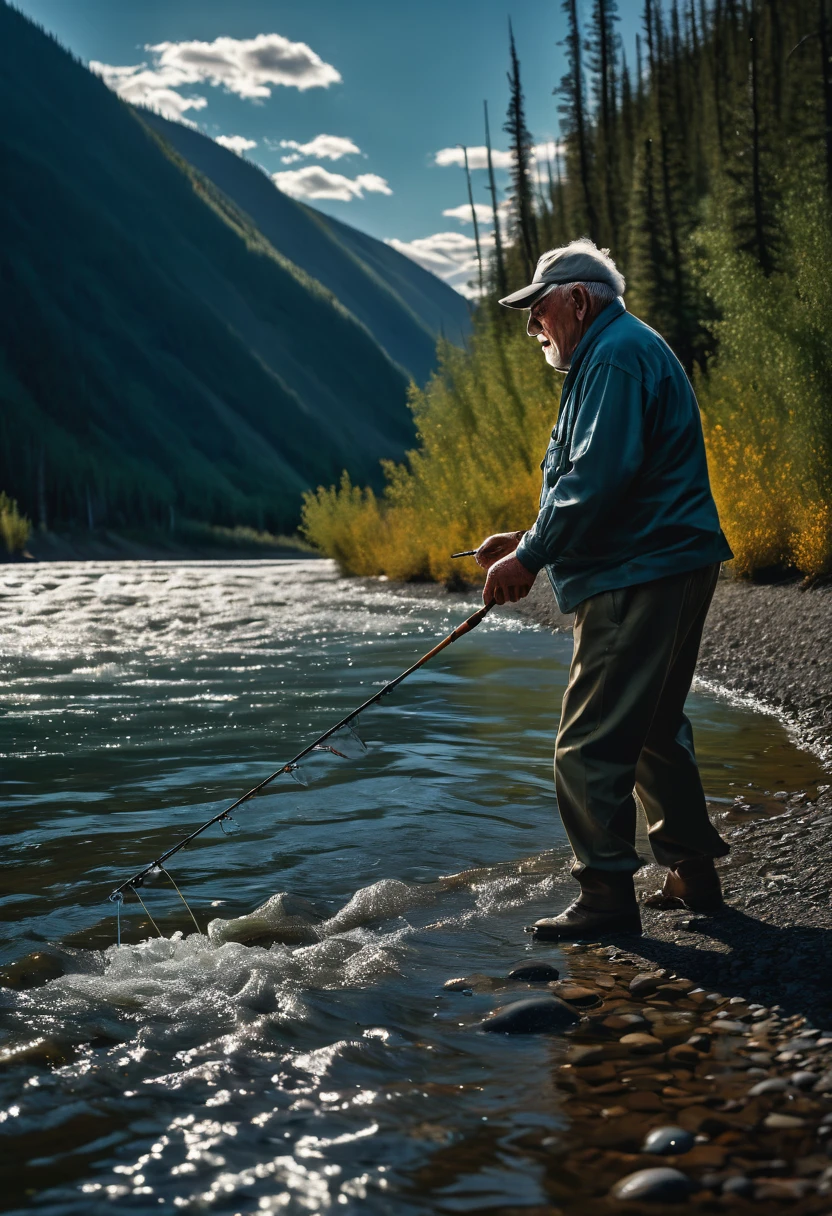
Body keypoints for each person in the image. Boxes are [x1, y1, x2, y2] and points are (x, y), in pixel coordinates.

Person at [476, 239, 733, 941]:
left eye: (539, 311)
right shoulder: (620, 349)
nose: (534, 328)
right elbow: (599, 476)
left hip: (638, 570)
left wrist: (532, 555)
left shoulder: (614, 355)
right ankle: (690, 873)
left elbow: (598, 478)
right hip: (670, 561)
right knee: (650, 726)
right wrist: (521, 536)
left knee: (588, 743)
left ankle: (605, 899)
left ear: (578, 300)